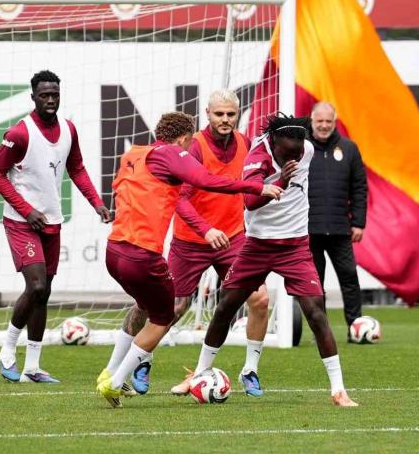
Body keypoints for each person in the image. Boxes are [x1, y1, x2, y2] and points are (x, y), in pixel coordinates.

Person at [96, 111, 281, 408]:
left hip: (114, 250)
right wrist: (257, 187)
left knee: (147, 306)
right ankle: (116, 381)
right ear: (184, 138)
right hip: (144, 254)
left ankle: (110, 371)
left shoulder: (134, 154)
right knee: (163, 316)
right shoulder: (172, 153)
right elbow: (207, 180)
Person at [191, 114, 358, 407]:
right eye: (288, 153)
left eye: (299, 150)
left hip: (295, 246)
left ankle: (338, 390)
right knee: (226, 305)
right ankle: (198, 373)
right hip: (257, 245)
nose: (296, 156)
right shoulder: (258, 156)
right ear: (275, 143)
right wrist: (281, 180)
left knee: (316, 312)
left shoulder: (306, 148)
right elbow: (249, 201)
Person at [0, 70, 110, 384]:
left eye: (55, 94)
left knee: (44, 294)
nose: (51, 100)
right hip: (21, 221)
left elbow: (77, 168)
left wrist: (96, 202)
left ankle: (32, 367)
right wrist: (26, 210)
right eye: (44, 95)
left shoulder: (68, 129)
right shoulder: (19, 133)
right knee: (37, 286)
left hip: (51, 221)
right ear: (33, 97)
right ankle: (7, 349)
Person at [167, 90, 270, 397]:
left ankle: (250, 370)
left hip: (233, 239)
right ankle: (140, 361)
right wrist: (206, 229)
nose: (225, 119)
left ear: (238, 114)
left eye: (231, 114)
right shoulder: (194, 147)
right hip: (191, 240)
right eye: (219, 114)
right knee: (172, 307)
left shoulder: (246, 144)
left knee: (260, 299)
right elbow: (178, 198)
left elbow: (254, 187)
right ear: (207, 114)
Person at [307, 102, 368, 336]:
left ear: (335, 122)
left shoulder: (349, 149)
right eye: (319, 121)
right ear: (312, 121)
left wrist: (358, 223)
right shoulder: (301, 148)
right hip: (309, 229)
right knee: (314, 284)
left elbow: (359, 188)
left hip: (340, 229)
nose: (324, 125)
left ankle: (356, 327)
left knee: (349, 278)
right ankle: (320, 332)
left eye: (328, 121)